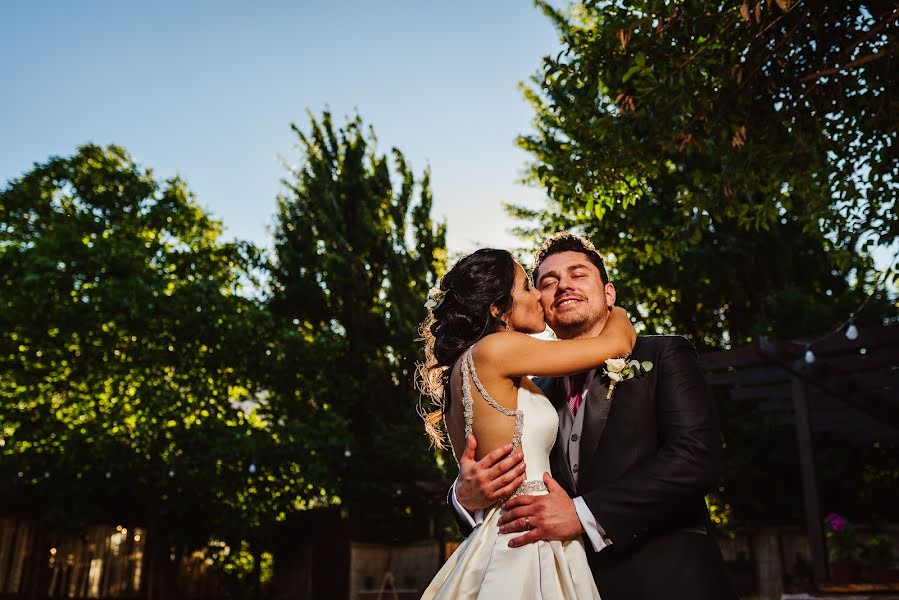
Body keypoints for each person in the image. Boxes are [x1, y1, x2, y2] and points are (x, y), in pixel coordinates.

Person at [452, 233, 738, 600]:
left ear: (609, 294)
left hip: (670, 581)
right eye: (547, 282)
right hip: (566, 584)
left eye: (578, 274)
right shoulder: (529, 388)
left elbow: (695, 459)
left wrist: (583, 514)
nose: (562, 286)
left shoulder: (664, 354)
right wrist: (464, 496)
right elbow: (497, 459)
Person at [418, 247, 637, 599]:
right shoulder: (498, 349)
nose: (538, 295)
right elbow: (617, 344)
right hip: (531, 535)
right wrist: (616, 307)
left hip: (498, 532)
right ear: (497, 307)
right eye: (526, 287)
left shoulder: (465, 368)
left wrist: (462, 497)